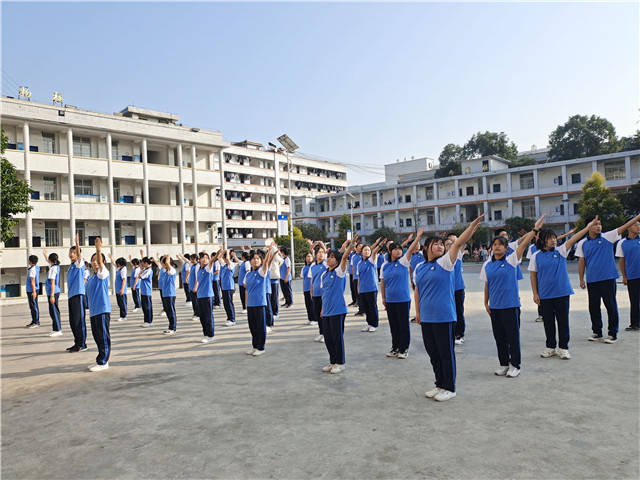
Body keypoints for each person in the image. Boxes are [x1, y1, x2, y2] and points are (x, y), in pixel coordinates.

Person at [415, 215, 484, 402]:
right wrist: (418, 312)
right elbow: (417, 291)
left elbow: (458, 243)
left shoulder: (445, 263)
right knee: (433, 352)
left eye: (441, 244)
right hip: (427, 317)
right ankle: (439, 383)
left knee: (446, 352)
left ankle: (450, 387)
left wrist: (471, 227)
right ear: (426, 248)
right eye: (435, 244)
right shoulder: (419, 267)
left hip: (443, 315)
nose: (440, 247)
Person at [529, 220, 595, 360]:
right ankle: (551, 347)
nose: (553, 240)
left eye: (554, 238)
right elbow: (533, 276)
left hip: (562, 293)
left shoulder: (561, 251)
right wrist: (535, 293)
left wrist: (587, 228)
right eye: (549, 238)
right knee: (548, 322)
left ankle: (564, 348)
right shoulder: (535, 256)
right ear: (543, 241)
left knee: (563, 321)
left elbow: (574, 238)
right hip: (545, 295)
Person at [482, 221, 540, 379]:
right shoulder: (487, 265)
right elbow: (487, 284)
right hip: (495, 307)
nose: (497, 247)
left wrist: (534, 230)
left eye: (500, 245)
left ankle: (515, 365)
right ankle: (504, 364)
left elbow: (523, 244)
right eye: (494, 244)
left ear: (506, 248)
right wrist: (486, 303)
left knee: (512, 338)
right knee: (499, 337)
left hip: (510, 306)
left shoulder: (511, 260)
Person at [576, 213, 640, 343]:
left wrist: (638, 217)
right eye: (595, 225)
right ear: (588, 227)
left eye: (600, 224)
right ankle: (597, 332)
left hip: (608, 278)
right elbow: (581, 261)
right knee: (593, 307)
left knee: (611, 306)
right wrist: (581, 279)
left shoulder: (608, 237)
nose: (599, 227)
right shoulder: (582, 243)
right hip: (592, 280)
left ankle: (612, 333)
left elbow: (625, 226)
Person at [380, 229, 423, 359]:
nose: (398, 251)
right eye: (395, 249)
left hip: (403, 299)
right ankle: (395, 347)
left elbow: (409, 250)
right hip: (390, 300)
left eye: (400, 249)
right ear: (390, 251)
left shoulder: (404, 262)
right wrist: (383, 298)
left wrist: (417, 237)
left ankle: (404, 349)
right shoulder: (385, 266)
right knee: (394, 325)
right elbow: (383, 283)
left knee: (403, 325)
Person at [320, 236, 358, 374]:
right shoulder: (324, 274)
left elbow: (344, 258)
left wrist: (351, 245)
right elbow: (324, 293)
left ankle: (340, 363)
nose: (329, 259)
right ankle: (332, 361)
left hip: (338, 310)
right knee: (328, 338)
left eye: (332, 257)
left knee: (337, 337)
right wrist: (322, 310)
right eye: (328, 257)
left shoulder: (339, 272)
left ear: (336, 260)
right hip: (327, 311)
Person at [244, 245, 278, 356]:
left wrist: (269, 252)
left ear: (261, 260)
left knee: (260, 326)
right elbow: (247, 290)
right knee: (252, 327)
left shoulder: (261, 272)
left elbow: (267, 262)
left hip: (260, 303)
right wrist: (245, 304)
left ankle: (261, 347)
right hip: (250, 304)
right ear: (250, 261)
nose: (255, 260)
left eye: (258, 258)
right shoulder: (248, 274)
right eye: (253, 258)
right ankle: (254, 346)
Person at [85, 237, 111, 372]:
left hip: (102, 309)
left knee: (103, 336)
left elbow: (100, 264)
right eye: (93, 260)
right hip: (94, 311)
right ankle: (100, 359)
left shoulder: (103, 273)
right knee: (97, 336)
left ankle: (103, 361)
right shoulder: (91, 277)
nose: (95, 262)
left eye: (97, 260)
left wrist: (98, 249)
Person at [616, 215, 640, 331]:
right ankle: (635, 324)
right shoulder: (622, 243)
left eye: (639, 224)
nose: (638, 226)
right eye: (635, 224)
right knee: (634, 300)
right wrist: (624, 276)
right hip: (633, 276)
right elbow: (622, 260)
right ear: (628, 227)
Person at [356, 237, 385, 332]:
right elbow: (359, 278)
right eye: (365, 250)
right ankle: (369, 324)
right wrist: (358, 289)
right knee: (366, 308)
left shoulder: (372, 260)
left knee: (372, 307)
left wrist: (380, 245)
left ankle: (374, 324)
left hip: (371, 288)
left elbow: (375, 252)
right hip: (363, 289)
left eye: (368, 250)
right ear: (361, 252)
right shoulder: (359, 263)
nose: (367, 251)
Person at [66, 233, 88, 352]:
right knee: (73, 321)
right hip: (71, 296)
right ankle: (77, 342)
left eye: (73, 252)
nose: (71, 254)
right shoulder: (71, 266)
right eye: (70, 252)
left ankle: (82, 343)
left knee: (79, 320)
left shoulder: (79, 264)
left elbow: (79, 257)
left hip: (78, 295)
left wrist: (77, 243)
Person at [444, 234, 466, 345]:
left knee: (459, 311)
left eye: (451, 243)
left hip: (457, 288)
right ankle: (451, 332)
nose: (450, 246)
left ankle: (459, 334)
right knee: (449, 312)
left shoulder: (458, 255)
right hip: (446, 290)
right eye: (447, 244)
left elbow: (463, 241)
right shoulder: (442, 259)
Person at [193, 251, 219, 343]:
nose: (205, 259)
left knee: (208, 316)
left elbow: (211, 262)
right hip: (200, 296)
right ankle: (205, 334)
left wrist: (216, 256)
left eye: (206, 258)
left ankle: (210, 335)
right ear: (199, 260)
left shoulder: (208, 268)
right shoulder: (199, 269)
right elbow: (198, 281)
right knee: (202, 317)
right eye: (203, 257)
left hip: (207, 295)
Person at [309, 243, 328, 342]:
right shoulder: (312, 265)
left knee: (323, 314)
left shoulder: (326, 264)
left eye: (322, 252)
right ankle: (321, 333)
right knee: (317, 314)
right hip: (315, 294)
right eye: (319, 252)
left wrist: (321, 244)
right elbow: (312, 279)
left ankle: (326, 334)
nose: (321, 254)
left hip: (324, 294)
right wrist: (311, 292)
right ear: (315, 254)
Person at [155, 255, 177, 335]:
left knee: (171, 311)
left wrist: (168, 256)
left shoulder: (172, 270)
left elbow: (167, 263)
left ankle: (172, 328)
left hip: (170, 294)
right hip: (165, 294)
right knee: (168, 311)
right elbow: (161, 263)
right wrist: (163, 257)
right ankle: (170, 327)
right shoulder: (164, 270)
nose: (163, 265)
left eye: (164, 264)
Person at [42, 249, 62, 337]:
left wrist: (52, 295)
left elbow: (53, 282)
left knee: (54, 311)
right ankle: (55, 329)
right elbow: (48, 261)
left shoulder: (53, 269)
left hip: (53, 292)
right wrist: (45, 255)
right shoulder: (55, 266)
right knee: (53, 311)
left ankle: (58, 329)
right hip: (54, 292)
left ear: (51, 260)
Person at [220, 249, 238, 326]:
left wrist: (227, 252)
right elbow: (219, 258)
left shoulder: (231, 264)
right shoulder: (224, 266)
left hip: (229, 287)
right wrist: (221, 252)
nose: (224, 260)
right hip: (224, 287)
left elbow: (227, 259)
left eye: (225, 258)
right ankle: (229, 318)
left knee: (229, 303)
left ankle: (232, 319)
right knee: (226, 303)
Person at [108, 255, 128, 322]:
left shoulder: (123, 270)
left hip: (121, 289)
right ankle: (122, 315)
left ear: (120, 264)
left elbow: (124, 280)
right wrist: (111, 258)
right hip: (118, 289)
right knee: (120, 303)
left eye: (117, 263)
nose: (116, 265)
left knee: (122, 303)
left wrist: (122, 289)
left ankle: (123, 316)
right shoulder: (120, 269)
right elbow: (114, 264)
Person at [137, 256, 154, 327]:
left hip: (147, 291)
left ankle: (149, 321)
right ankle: (146, 320)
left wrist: (141, 269)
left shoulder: (149, 270)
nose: (142, 265)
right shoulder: (146, 269)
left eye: (143, 263)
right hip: (144, 291)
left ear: (146, 263)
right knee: (144, 306)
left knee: (147, 307)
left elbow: (140, 276)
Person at [25, 255, 40, 328]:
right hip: (33, 290)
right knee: (33, 306)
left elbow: (32, 282)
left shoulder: (32, 270)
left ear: (30, 261)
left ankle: (36, 322)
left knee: (34, 306)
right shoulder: (36, 267)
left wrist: (33, 292)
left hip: (32, 290)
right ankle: (34, 321)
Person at [350, 243, 364, 316]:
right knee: (357, 294)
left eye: (362, 246)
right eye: (359, 246)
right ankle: (361, 309)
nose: (360, 247)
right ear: (356, 248)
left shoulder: (364, 256)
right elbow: (352, 268)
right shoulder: (353, 256)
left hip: (363, 278)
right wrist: (353, 277)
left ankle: (364, 309)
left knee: (362, 294)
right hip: (356, 277)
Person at [302, 252, 314, 325]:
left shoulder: (313, 266)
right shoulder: (304, 268)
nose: (309, 258)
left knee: (312, 305)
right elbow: (303, 279)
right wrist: (303, 289)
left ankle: (314, 319)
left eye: (310, 256)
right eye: (307, 256)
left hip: (312, 289)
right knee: (308, 305)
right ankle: (310, 318)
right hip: (306, 289)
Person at [187, 253, 200, 321]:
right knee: (193, 301)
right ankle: (195, 313)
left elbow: (197, 277)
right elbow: (186, 261)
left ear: (195, 259)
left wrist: (195, 287)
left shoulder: (197, 266)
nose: (190, 260)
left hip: (195, 287)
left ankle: (197, 314)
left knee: (196, 301)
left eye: (191, 258)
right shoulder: (192, 265)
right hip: (191, 286)